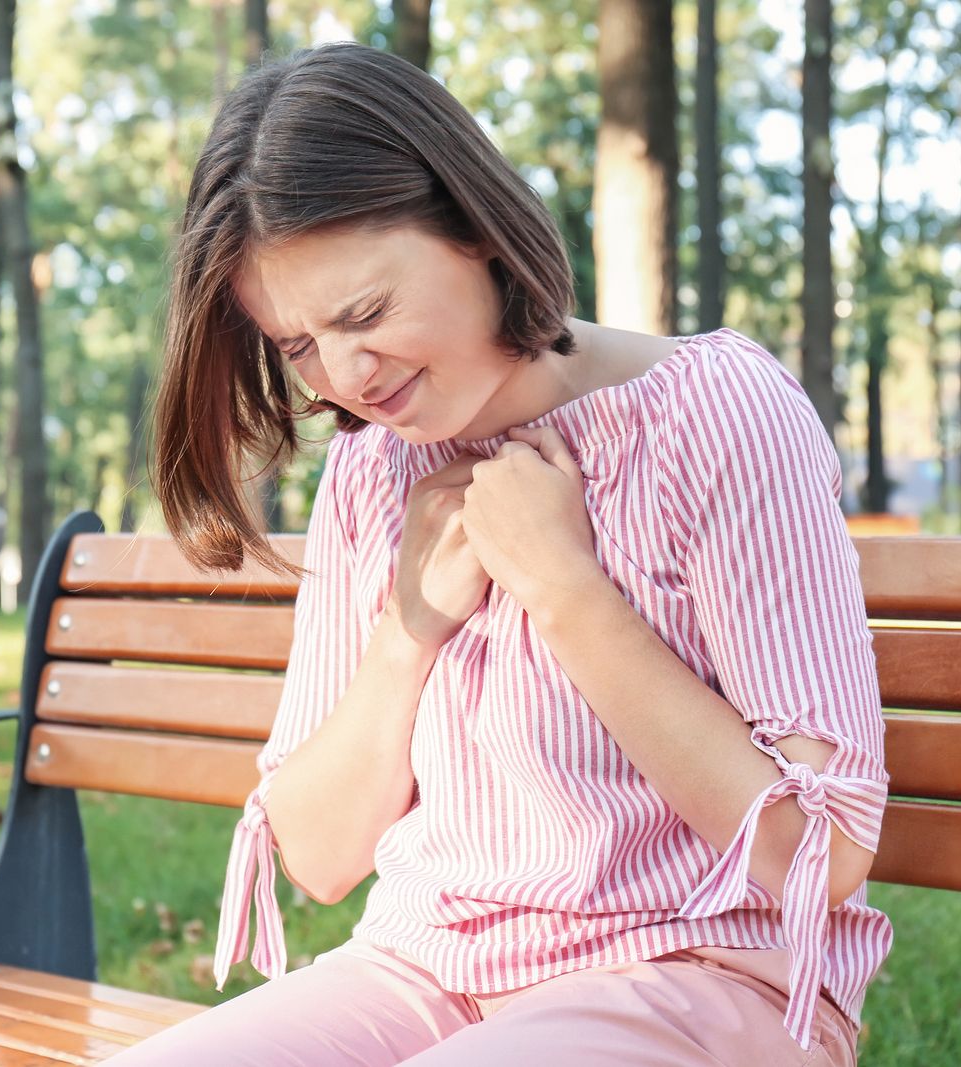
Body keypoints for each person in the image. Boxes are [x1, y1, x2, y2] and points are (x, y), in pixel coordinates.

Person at [106, 40, 890, 1067]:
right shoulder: (372, 473)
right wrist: (407, 629)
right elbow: (320, 852)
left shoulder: (714, 414)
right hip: (422, 970)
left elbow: (815, 853)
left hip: (703, 969)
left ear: (475, 227)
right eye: (298, 345)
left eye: (364, 312)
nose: (346, 373)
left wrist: (568, 591)